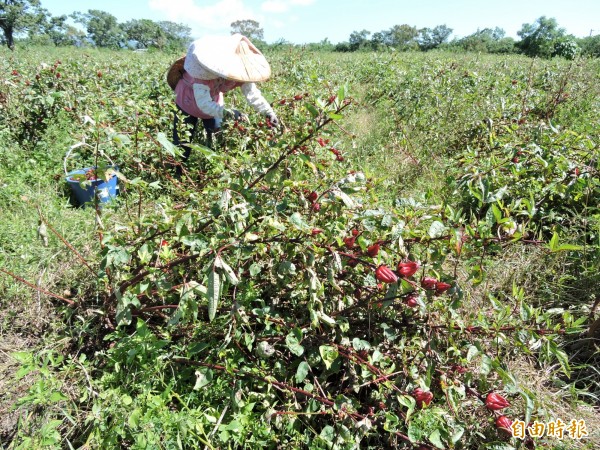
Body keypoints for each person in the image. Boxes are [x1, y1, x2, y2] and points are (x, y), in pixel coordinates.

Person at [167, 33, 279, 174]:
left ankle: (211, 172)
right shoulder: (203, 72)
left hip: (213, 100)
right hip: (187, 101)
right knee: (182, 142)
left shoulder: (241, 72)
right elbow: (204, 104)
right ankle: (177, 174)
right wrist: (229, 112)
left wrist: (268, 112)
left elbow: (252, 94)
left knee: (216, 135)